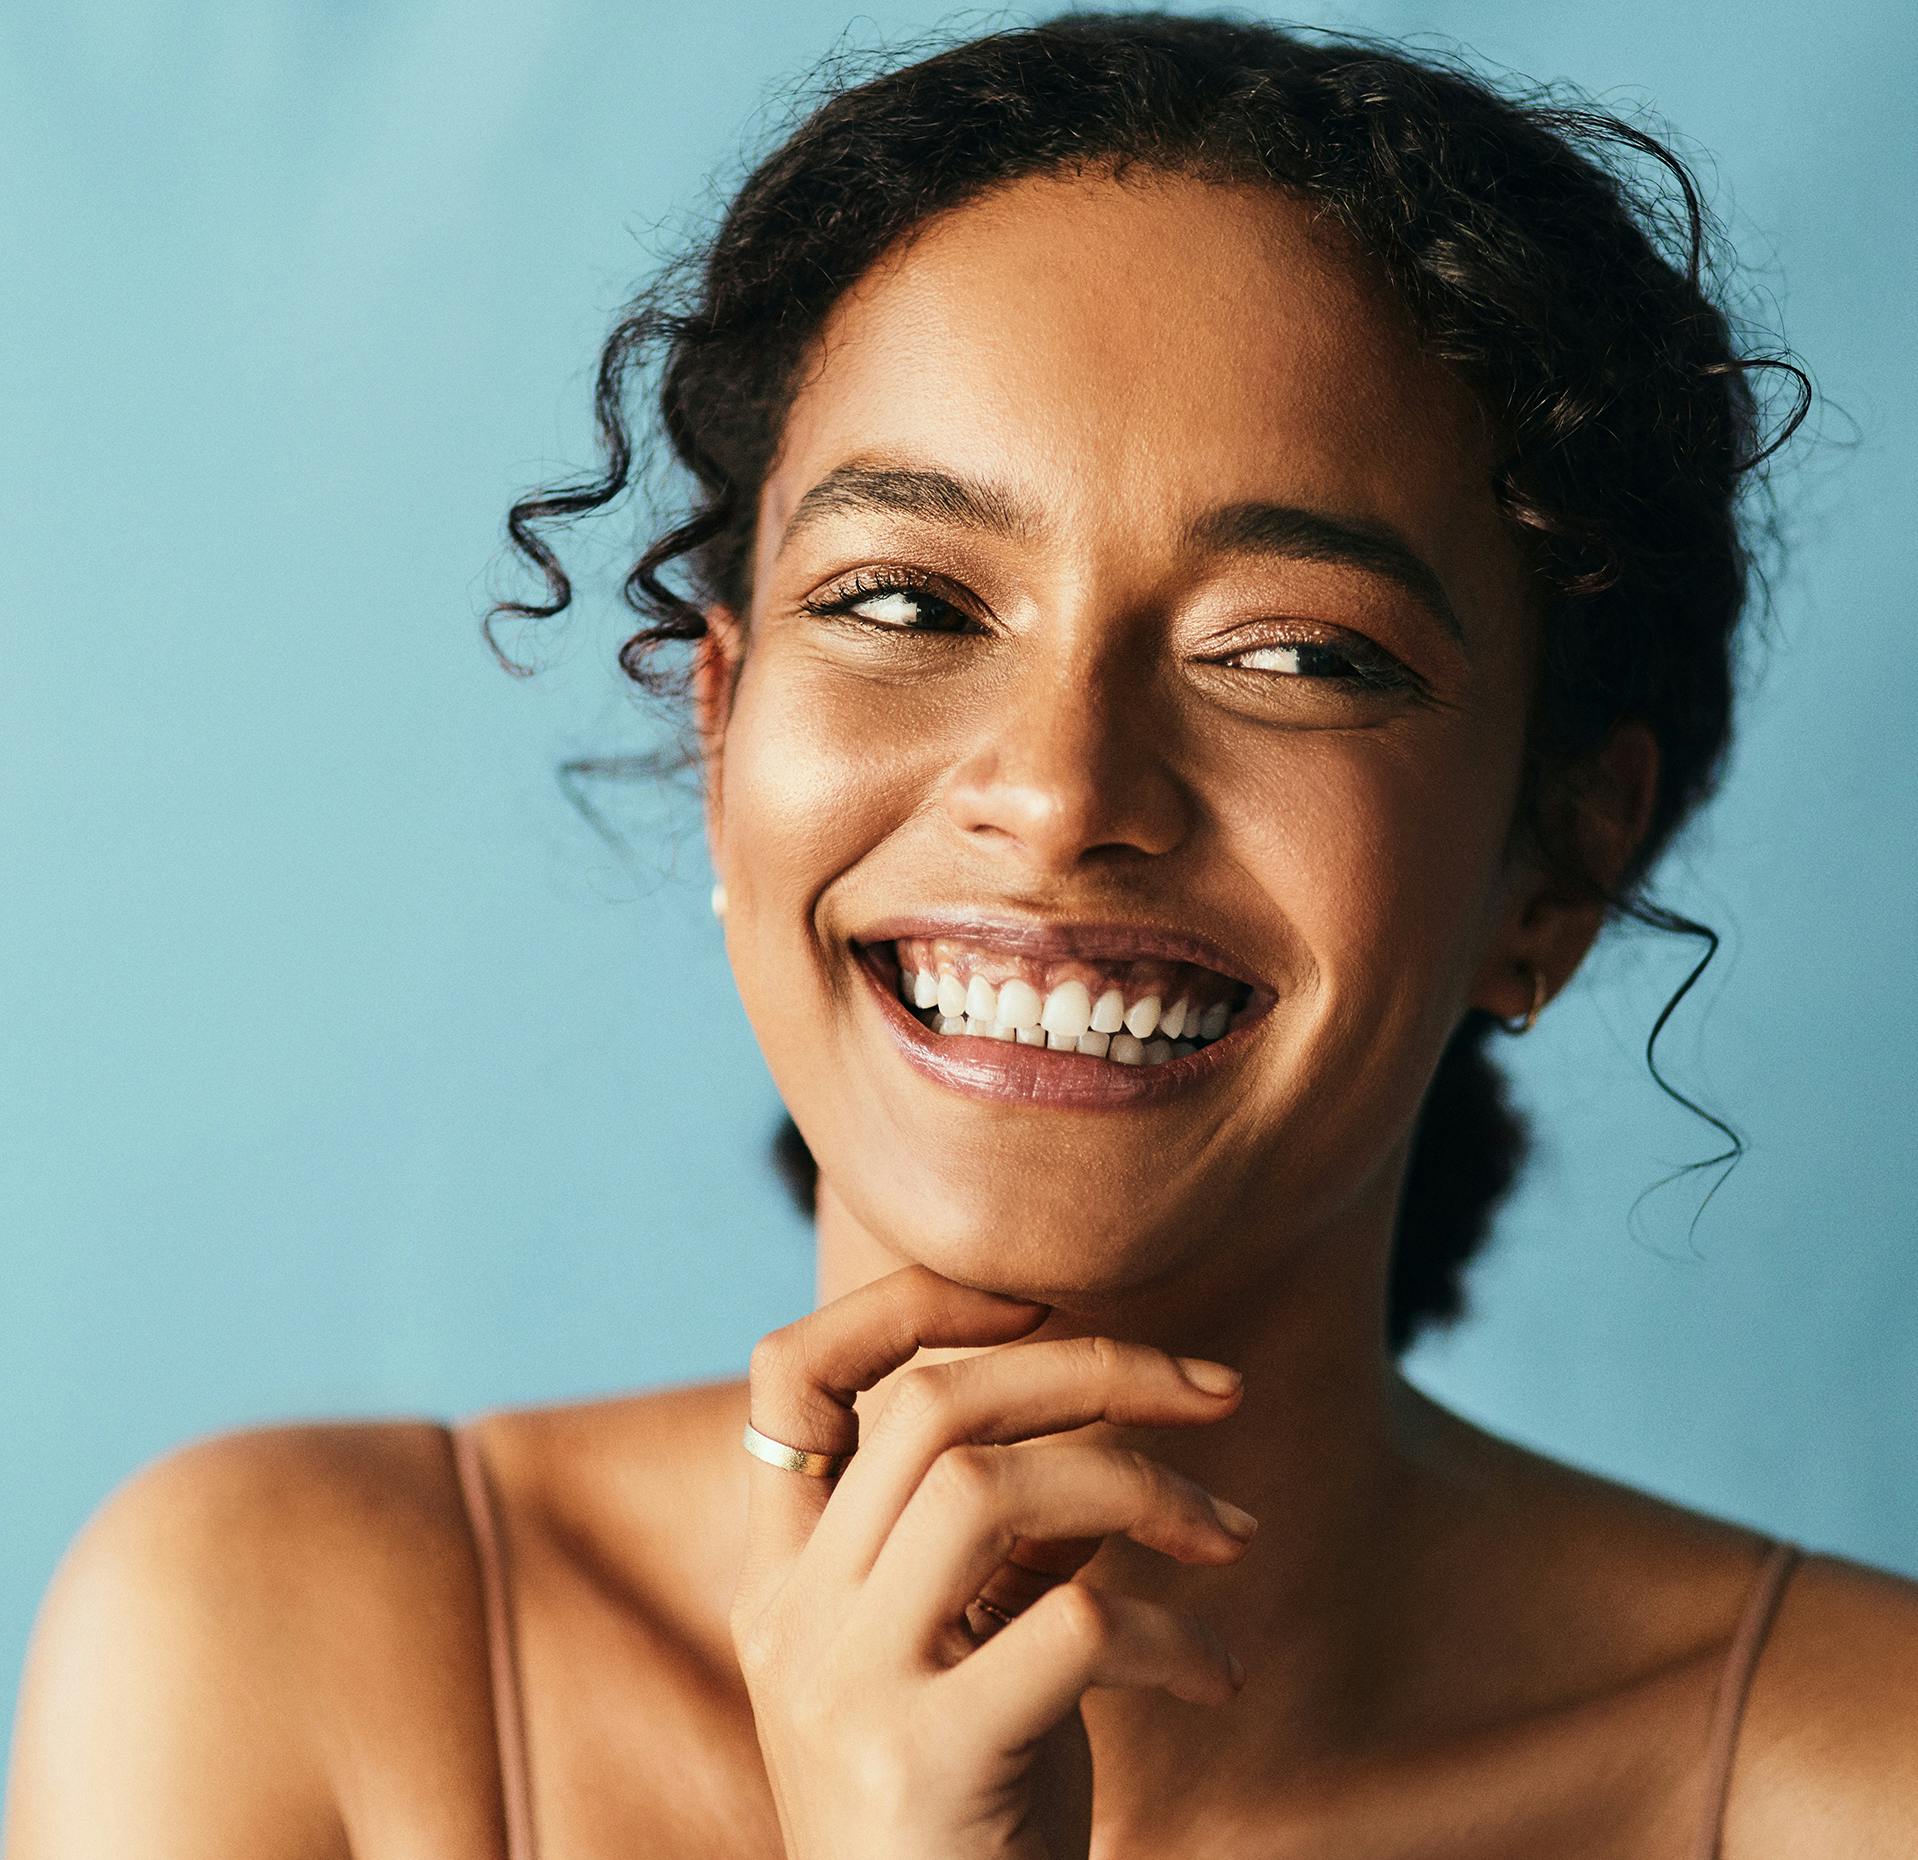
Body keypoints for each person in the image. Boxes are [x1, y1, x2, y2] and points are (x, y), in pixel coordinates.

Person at [7, 12, 1916, 1857]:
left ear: (1553, 871)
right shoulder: (288, 1644)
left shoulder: (1859, 1774)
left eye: (1295, 652)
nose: (1062, 788)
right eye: (910, 603)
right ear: (721, 731)